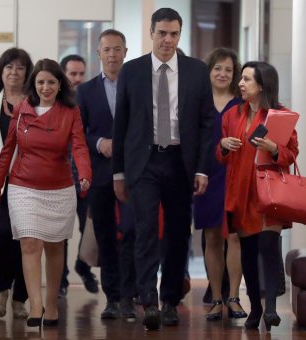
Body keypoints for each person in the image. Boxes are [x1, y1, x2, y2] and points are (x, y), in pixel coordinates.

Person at [112, 8, 215, 330]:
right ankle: (149, 300)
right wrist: (118, 172)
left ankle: (170, 299)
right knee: (144, 231)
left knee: (177, 233)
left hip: (180, 162)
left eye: (173, 34)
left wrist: (202, 168)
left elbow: (207, 122)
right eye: (162, 33)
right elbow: (122, 124)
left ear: (179, 35)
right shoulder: (132, 71)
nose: (167, 40)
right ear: (152, 34)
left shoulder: (197, 71)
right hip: (144, 162)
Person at [0, 59, 92, 327]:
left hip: (58, 188)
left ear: (60, 85)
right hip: (23, 186)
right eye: (41, 82)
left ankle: (51, 304)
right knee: (29, 243)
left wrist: (84, 175)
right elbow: (7, 150)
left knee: (55, 246)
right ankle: (35, 306)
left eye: (51, 82)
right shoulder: (22, 109)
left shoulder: (71, 111)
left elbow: (79, 146)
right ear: (33, 85)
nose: (46, 87)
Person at [217, 61, 298, 331]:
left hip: (269, 191)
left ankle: (272, 307)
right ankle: (255, 307)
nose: (240, 83)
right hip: (241, 192)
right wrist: (224, 146)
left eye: (247, 79)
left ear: (262, 85)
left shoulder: (280, 116)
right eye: (241, 78)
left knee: (269, 246)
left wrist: (275, 148)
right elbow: (219, 155)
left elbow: (291, 154)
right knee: (249, 254)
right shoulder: (231, 115)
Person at [77, 29, 137, 320]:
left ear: (126, 52)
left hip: (134, 173)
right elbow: (79, 133)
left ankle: (131, 294)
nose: (112, 55)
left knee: (132, 232)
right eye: (106, 50)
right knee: (105, 236)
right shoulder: (85, 91)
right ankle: (113, 298)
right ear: (98, 54)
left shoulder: (138, 85)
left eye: (117, 49)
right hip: (100, 173)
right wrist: (100, 143)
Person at [194, 47, 247, 321]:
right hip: (205, 175)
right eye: (218, 68)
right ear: (209, 71)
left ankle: (234, 297)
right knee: (212, 237)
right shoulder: (197, 101)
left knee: (235, 236)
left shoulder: (241, 105)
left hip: (235, 176)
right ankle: (215, 298)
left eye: (228, 69)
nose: (223, 73)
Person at [0, 48, 33, 319]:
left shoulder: (35, 101)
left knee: (26, 240)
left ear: (27, 72)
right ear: (0, 71)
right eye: (8, 67)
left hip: (29, 182)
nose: (14, 72)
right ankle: (1, 291)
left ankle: (20, 299)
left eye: (20, 67)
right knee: (2, 236)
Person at [59, 54, 99, 297]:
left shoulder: (90, 100)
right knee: (60, 233)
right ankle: (61, 280)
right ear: (63, 75)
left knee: (90, 230)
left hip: (85, 179)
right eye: (73, 74)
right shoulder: (55, 102)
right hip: (61, 179)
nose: (78, 78)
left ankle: (82, 267)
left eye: (81, 73)